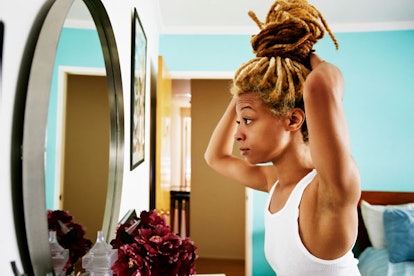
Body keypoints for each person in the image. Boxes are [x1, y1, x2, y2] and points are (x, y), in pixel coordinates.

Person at [204, 0, 361, 275]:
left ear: (293, 119)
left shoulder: (330, 191)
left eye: (248, 121)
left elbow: (321, 84)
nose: (237, 134)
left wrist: (307, 54)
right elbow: (214, 157)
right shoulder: (275, 184)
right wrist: (243, 94)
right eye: (240, 122)